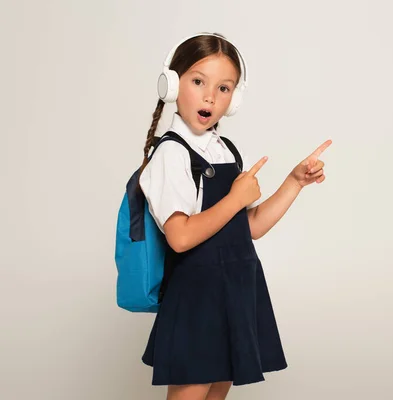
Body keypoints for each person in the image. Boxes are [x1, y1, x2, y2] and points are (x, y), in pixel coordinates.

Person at [137, 32, 331, 400]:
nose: (211, 96)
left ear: (234, 98)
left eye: (224, 88)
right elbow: (179, 236)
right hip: (198, 298)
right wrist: (234, 198)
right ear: (173, 84)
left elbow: (248, 228)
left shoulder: (225, 150)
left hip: (234, 291)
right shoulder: (172, 154)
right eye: (198, 81)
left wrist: (293, 182)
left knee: (217, 391)